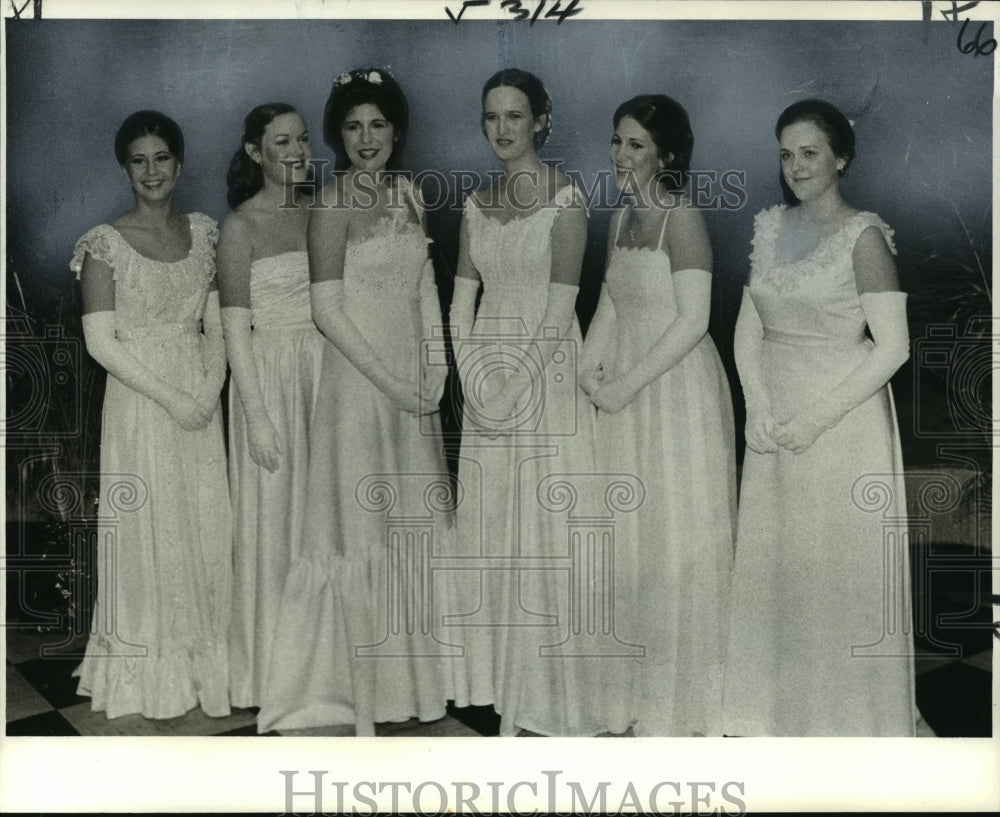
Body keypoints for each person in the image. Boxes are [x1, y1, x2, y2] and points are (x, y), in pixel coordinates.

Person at [258, 69, 465, 735]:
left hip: (413, 389)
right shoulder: (332, 205)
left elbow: (425, 288)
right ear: (337, 136)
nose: (366, 138)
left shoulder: (409, 194)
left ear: (395, 131)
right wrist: (389, 381)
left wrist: (434, 367)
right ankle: (362, 697)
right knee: (361, 530)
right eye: (353, 127)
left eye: (377, 125)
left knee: (413, 525)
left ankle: (423, 683)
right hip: (357, 386)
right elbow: (327, 310)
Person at [722, 98, 927, 736]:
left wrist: (813, 420)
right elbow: (747, 325)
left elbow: (893, 347)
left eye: (810, 153)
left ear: (841, 158)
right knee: (778, 564)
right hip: (774, 417)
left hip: (842, 423)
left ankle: (847, 722)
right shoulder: (769, 228)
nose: (796, 166)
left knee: (834, 568)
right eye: (786, 154)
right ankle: (777, 715)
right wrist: (756, 403)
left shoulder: (864, 236)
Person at [449, 68, 615, 736]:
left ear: (540, 120)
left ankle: (549, 682)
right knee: (492, 516)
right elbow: (460, 301)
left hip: (542, 368)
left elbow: (558, 308)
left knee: (543, 515)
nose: (502, 129)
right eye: (491, 117)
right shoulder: (474, 203)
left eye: (515, 116)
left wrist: (511, 386)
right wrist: (472, 381)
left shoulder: (566, 202)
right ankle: (492, 676)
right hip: (486, 365)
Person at [580, 94, 737, 736]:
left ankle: (682, 699)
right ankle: (627, 691)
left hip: (674, 392)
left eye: (636, 145)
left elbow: (692, 321)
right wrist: (587, 371)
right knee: (630, 542)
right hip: (625, 390)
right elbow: (612, 306)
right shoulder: (620, 219)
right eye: (617, 142)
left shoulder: (684, 218)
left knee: (676, 539)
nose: (621, 155)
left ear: (667, 155)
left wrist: (626, 387)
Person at [70, 110, 231, 719]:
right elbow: (101, 343)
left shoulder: (204, 234)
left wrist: (209, 391)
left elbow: (216, 324)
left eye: (161, 158)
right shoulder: (104, 244)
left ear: (179, 163)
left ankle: (206, 669)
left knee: (204, 522)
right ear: (124, 168)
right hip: (141, 402)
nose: (151, 171)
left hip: (198, 398)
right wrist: (175, 398)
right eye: (138, 160)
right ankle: (148, 672)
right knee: (149, 529)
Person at [217, 103, 324, 709]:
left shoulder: (322, 210)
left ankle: (320, 668)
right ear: (256, 153)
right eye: (281, 141)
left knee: (318, 517)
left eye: (303, 139)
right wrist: (256, 416)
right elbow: (235, 330)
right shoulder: (242, 226)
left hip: (323, 371)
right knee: (275, 516)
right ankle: (270, 673)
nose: (297, 151)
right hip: (269, 378)